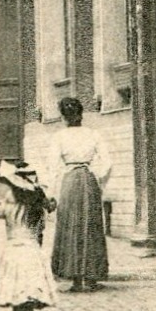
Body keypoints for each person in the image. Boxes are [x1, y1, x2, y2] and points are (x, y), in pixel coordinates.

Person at [0, 161, 59, 311]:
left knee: (17, 295)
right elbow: (41, 230)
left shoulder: (10, 200)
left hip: (14, 251)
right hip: (33, 251)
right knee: (29, 296)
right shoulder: (38, 203)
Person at [48, 97, 112, 292]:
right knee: (91, 226)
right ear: (81, 114)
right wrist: (98, 180)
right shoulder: (93, 134)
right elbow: (107, 162)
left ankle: (75, 280)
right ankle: (91, 278)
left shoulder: (59, 137)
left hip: (69, 181)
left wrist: (51, 192)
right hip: (88, 179)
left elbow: (51, 167)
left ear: (63, 117)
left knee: (70, 226)